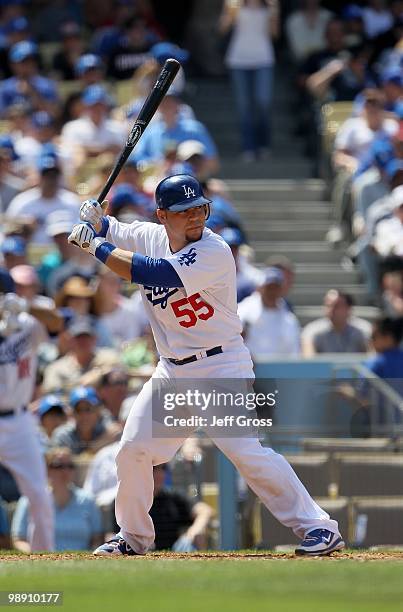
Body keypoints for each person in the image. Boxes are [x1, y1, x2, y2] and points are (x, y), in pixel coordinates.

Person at [68, 173, 345, 557]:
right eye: (184, 211)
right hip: (172, 370)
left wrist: (95, 246)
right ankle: (132, 537)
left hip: (220, 366)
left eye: (200, 208)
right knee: (132, 450)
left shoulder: (215, 251)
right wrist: (98, 220)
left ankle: (318, 527)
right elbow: (118, 229)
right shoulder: (152, 235)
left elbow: (152, 272)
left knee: (246, 453)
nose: (196, 217)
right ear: (163, 215)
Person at [0, 268, 54, 551]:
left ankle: (44, 559)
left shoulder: (26, 323)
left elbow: (58, 324)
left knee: (39, 496)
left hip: (19, 420)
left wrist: (26, 305)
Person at [219, 0, 280, 160]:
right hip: (238, 60)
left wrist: (274, 13)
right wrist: (230, 14)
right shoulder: (233, 4)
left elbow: (274, 34)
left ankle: (264, 144)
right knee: (243, 106)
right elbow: (222, 29)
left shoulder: (270, 5)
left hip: (263, 59)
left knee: (263, 102)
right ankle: (248, 146)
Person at [11, 446, 103, 552]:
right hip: (43, 564)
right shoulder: (29, 500)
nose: (65, 471)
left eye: (70, 466)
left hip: (82, 564)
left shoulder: (88, 501)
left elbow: (97, 539)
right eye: (58, 466)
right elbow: (19, 540)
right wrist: (37, 557)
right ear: (46, 469)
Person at [6, 152, 80, 245]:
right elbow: (7, 231)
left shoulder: (71, 201)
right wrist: (22, 228)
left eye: (54, 175)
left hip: (64, 255)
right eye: (47, 176)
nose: (50, 180)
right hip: (29, 254)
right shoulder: (22, 202)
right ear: (39, 177)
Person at [238, 267, 301, 359]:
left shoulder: (290, 320)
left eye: (275, 287)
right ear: (261, 288)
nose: (272, 291)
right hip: (247, 369)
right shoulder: (243, 311)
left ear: (281, 290)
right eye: (269, 287)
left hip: (280, 371)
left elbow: (293, 352)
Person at [51, 386, 122, 455]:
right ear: (72, 413)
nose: (84, 415)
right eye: (78, 410)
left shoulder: (107, 430)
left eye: (88, 409)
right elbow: (66, 465)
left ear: (98, 411)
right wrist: (97, 446)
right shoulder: (63, 435)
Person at [301, 289, 370, 356]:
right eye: (328, 306)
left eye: (336, 306)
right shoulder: (313, 331)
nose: (331, 310)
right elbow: (309, 360)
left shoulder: (362, 330)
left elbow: (371, 358)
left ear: (349, 309)